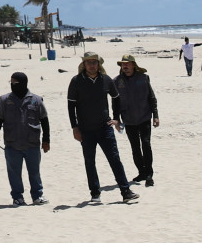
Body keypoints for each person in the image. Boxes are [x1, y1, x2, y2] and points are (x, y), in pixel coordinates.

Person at [67, 51, 133, 203]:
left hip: (105, 128)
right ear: (84, 64)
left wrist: (116, 119)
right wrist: (75, 128)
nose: (91, 65)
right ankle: (95, 194)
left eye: (94, 62)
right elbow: (71, 106)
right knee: (90, 162)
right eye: (88, 62)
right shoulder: (76, 81)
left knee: (114, 159)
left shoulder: (106, 80)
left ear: (99, 64)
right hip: (85, 129)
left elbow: (116, 98)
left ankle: (126, 191)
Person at [0, 71, 50, 206]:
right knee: (14, 173)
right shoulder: (5, 100)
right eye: (10, 83)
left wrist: (46, 140)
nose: (12, 85)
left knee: (34, 172)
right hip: (12, 144)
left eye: (15, 83)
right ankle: (18, 197)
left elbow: (44, 120)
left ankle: (37, 196)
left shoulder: (36, 100)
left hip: (32, 143)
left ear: (23, 83)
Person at [111, 53, 159, 186]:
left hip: (144, 117)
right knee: (135, 148)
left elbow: (152, 98)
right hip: (129, 120)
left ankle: (149, 173)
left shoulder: (143, 78)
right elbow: (115, 103)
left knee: (146, 144)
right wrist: (116, 119)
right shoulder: (116, 81)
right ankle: (141, 172)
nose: (125, 66)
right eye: (123, 64)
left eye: (127, 64)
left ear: (133, 65)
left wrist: (155, 115)